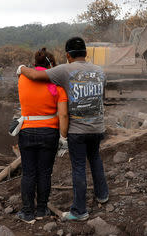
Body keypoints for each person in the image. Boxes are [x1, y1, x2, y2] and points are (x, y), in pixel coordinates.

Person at [18, 37, 109, 221]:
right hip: (98, 127)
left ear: (68, 55)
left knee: (78, 167)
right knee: (96, 159)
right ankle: (102, 195)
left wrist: (20, 69)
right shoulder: (100, 71)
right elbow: (101, 97)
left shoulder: (64, 70)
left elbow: (36, 76)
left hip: (77, 130)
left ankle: (79, 211)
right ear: (86, 53)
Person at [15, 48, 68, 224]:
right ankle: (42, 210)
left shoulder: (22, 78)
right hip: (49, 132)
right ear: (52, 64)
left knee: (28, 173)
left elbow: (30, 75)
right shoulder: (57, 84)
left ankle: (27, 212)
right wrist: (63, 137)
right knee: (45, 173)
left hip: (27, 131)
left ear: (35, 63)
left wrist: (23, 68)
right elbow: (63, 115)